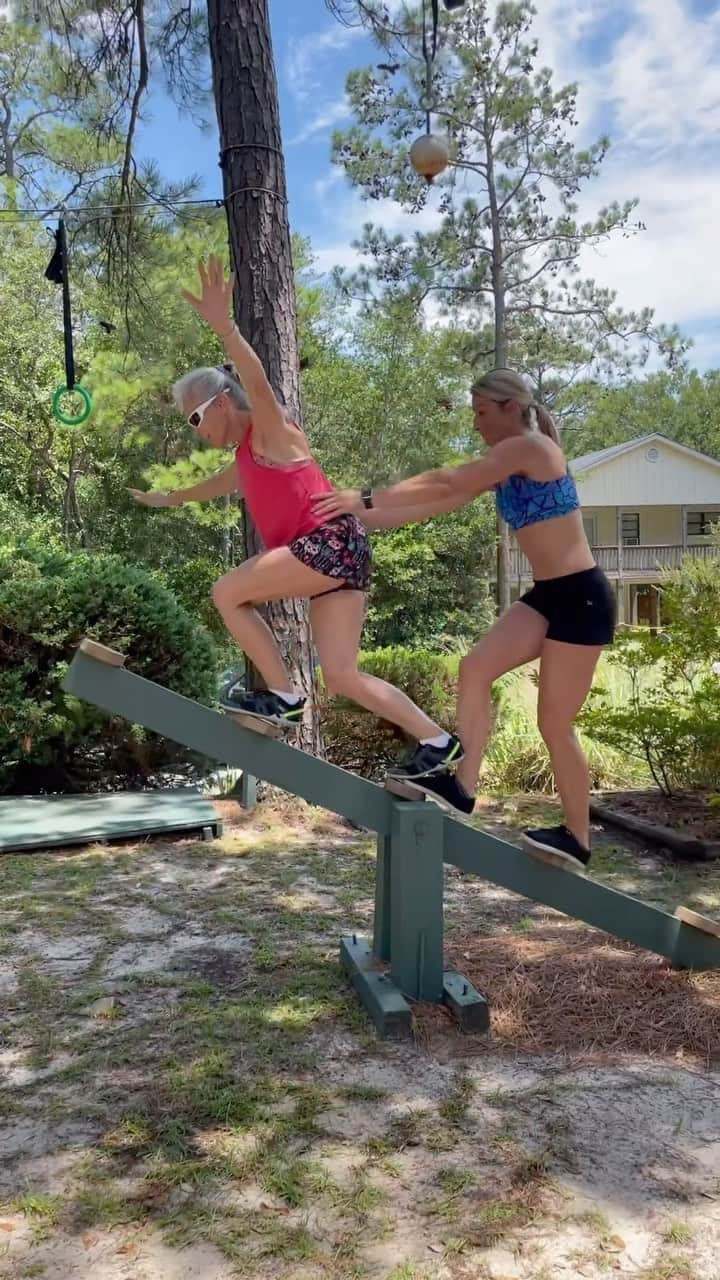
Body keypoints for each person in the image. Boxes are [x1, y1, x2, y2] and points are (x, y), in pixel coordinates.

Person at [129, 256, 461, 775]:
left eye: (195, 417)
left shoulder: (272, 432)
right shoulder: (245, 458)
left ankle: (283, 694)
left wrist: (225, 326)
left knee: (226, 592)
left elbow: (257, 383)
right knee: (343, 676)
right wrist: (170, 498)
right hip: (343, 555)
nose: (195, 430)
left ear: (220, 403)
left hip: (328, 545)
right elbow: (214, 486)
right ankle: (438, 740)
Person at [312, 368, 616, 871]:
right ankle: (463, 787)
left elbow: (448, 478)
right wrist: (354, 517)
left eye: (481, 412)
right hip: (549, 596)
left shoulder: (531, 449)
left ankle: (577, 838)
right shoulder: (503, 465)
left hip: (582, 597)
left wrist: (363, 496)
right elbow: (438, 500)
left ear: (511, 408)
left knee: (553, 724)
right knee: (474, 668)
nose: (475, 424)